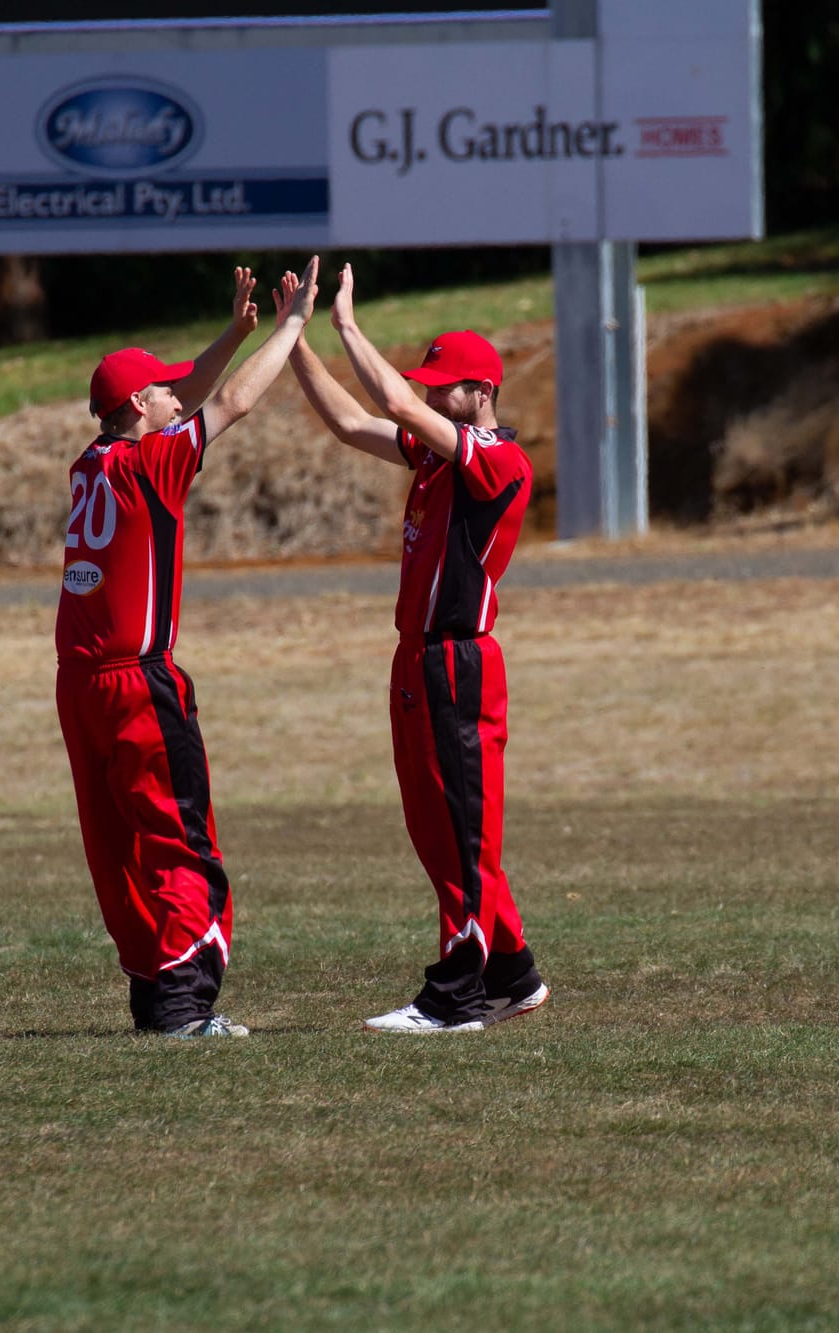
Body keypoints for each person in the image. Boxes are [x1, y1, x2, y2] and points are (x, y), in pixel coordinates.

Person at [56, 258, 318, 1040]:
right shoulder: (154, 462)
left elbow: (191, 397)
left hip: (79, 685)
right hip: (139, 684)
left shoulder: (91, 463)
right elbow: (230, 401)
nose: (179, 396)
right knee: (180, 841)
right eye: (165, 390)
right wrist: (289, 328)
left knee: (119, 851)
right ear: (140, 405)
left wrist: (229, 333)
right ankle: (182, 1006)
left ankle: (152, 996)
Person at [284, 262, 548, 1034]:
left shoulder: (495, 459)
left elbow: (393, 399)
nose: (430, 396)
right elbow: (347, 420)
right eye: (430, 386)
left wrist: (345, 326)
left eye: (445, 387)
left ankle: (456, 998)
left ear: (482, 392)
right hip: (419, 659)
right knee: (439, 831)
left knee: (460, 834)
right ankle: (513, 974)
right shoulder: (437, 455)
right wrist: (293, 338)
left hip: (460, 661)